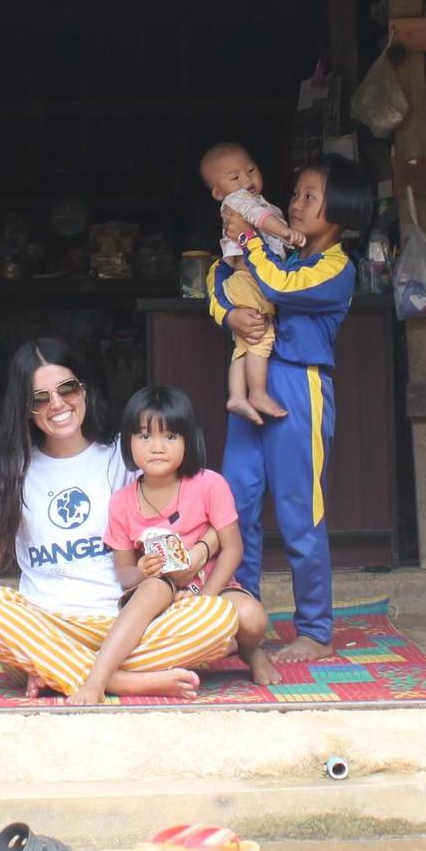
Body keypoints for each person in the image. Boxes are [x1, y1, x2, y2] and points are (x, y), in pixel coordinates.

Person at [0, 340, 239, 702]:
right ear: (25, 409)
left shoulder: (126, 454)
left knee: (219, 618)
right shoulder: (12, 469)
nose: (57, 405)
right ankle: (121, 680)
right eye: (39, 398)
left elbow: (206, 509)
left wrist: (202, 548)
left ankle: (68, 673)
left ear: (83, 389)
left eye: (66, 389)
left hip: (128, 623)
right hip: (46, 626)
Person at [208, 154, 371, 665]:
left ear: (339, 209)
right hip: (255, 381)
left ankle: (316, 631)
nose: (294, 204)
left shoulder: (336, 267)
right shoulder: (279, 248)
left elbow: (279, 286)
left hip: (301, 386)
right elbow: (218, 277)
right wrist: (230, 313)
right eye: (295, 193)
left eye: (309, 197)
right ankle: (243, 620)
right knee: (237, 508)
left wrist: (251, 239)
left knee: (302, 513)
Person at [79, 386, 274, 706]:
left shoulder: (209, 483)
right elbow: (123, 573)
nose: (157, 447)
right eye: (144, 436)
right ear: (128, 442)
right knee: (155, 588)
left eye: (170, 437)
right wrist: (141, 572)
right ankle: (97, 679)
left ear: (188, 440)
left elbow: (233, 549)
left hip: (213, 586)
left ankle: (250, 650)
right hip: (162, 592)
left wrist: (205, 599)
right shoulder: (122, 502)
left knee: (252, 618)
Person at [199, 143, 303, 424]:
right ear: (219, 193)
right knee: (261, 335)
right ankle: (256, 392)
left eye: (251, 170)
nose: (246, 180)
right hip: (249, 280)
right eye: (235, 178)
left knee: (244, 343)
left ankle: (236, 395)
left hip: (245, 281)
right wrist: (286, 232)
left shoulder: (257, 201)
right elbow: (261, 220)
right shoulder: (239, 202)